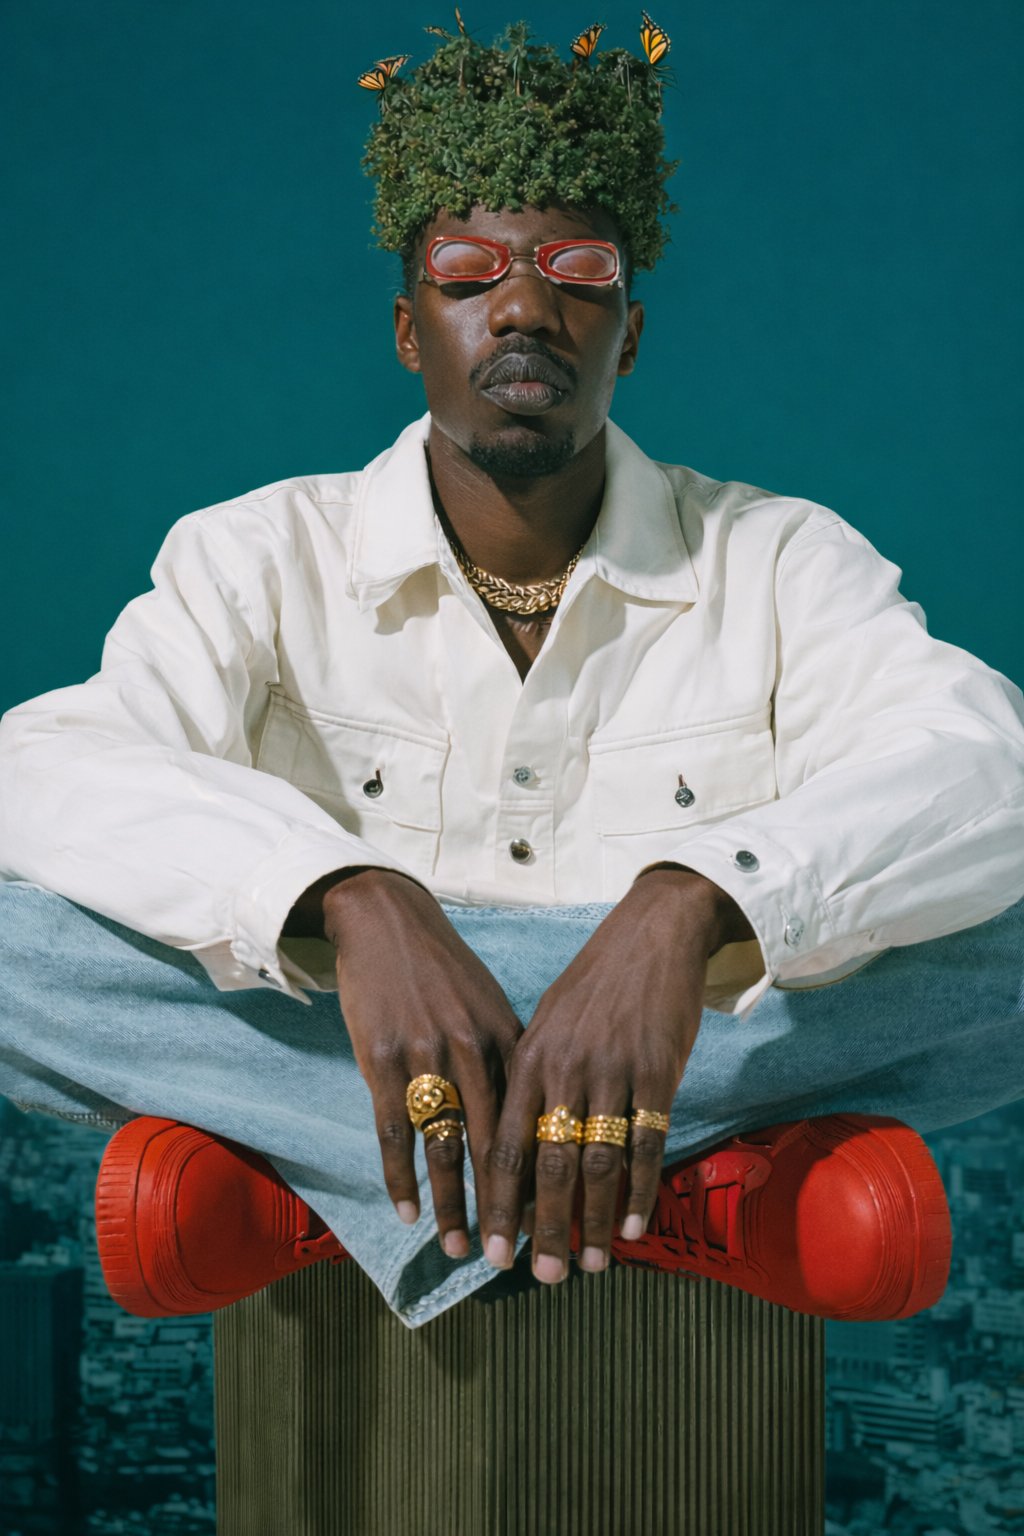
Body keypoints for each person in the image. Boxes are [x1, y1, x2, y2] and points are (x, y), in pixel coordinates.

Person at [1, 19, 1022, 1330]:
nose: (526, 306)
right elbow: (48, 771)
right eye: (471, 270)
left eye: (576, 269)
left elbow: (983, 769)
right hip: (424, 1031)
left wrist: (689, 908)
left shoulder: (780, 558)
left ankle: (327, 1194)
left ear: (630, 333)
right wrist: (348, 898)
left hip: (683, 1029)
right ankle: (702, 1189)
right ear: (407, 327)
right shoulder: (259, 551)